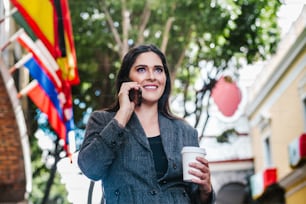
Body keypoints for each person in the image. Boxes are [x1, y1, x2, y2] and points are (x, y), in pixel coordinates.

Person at [77, 44, 215, 204]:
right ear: (127, 79)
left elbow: (195, 196)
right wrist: (123, 115)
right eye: (141, 69)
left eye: (158, 70)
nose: (152, 76)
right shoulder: (103, 121)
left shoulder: (185, 131)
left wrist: (206, 191)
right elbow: (91, 169)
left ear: (165, 78)